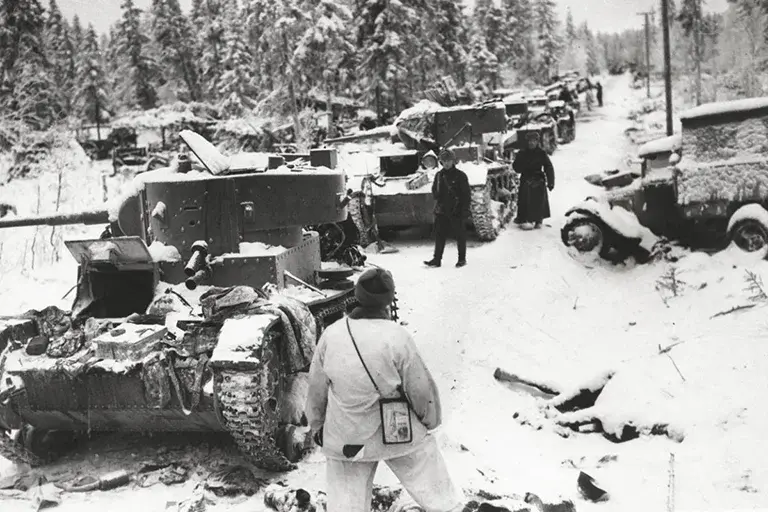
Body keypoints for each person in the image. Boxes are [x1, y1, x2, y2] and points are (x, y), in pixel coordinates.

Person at [305, 268, 464, 512]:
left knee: (346, 505)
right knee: (435, 488)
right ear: (389, 301)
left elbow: (316, 389)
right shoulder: (397, 336)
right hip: (397, 433)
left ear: (356, 295)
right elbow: (420, 390)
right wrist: (430, 421)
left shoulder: (332, 334)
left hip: (347, 438)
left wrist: (317, 426)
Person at [424, 148, 471, 268]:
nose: (446, 163)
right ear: (441, 162)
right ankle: (437, 259)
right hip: (442, 209)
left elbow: (466, 194)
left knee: (460, 235)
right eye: (444, 161)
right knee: (440, 235)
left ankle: (462, 259)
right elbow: (434, 190)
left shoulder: (461, 176)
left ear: (453, 161)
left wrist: (464, 209)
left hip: (456, 209)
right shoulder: (439, 175)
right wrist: (437, 195)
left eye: (449, 160)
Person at [513, 132, 555, 229]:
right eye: (530, 141)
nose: (532, 143)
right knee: (526, 197)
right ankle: (525, 219)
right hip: (526, 178)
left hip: (538, 178)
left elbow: (548, 167)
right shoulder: (522, 153)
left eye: (534, 141)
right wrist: (521, 164)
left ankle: (538, 219)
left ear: (537, 142)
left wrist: (551, 182)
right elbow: (516, 168)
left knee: (539, 197)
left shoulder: (541, 153)